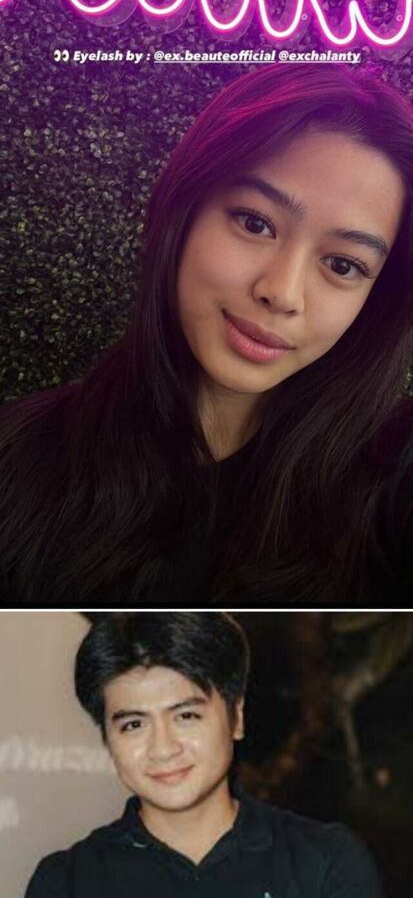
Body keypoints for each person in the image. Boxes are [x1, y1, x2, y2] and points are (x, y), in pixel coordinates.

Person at [1, 62, 413, 606]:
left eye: (343, 265)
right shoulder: (17, 457)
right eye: (255, 223)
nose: (282, 292)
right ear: (184, 210)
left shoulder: (392, 475)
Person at [22, 612, 389, 898]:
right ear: (107, 737)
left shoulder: (326, 863)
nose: (163, 748)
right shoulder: (65, 885)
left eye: (186, 716)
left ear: (236, 717)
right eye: (133, 724)